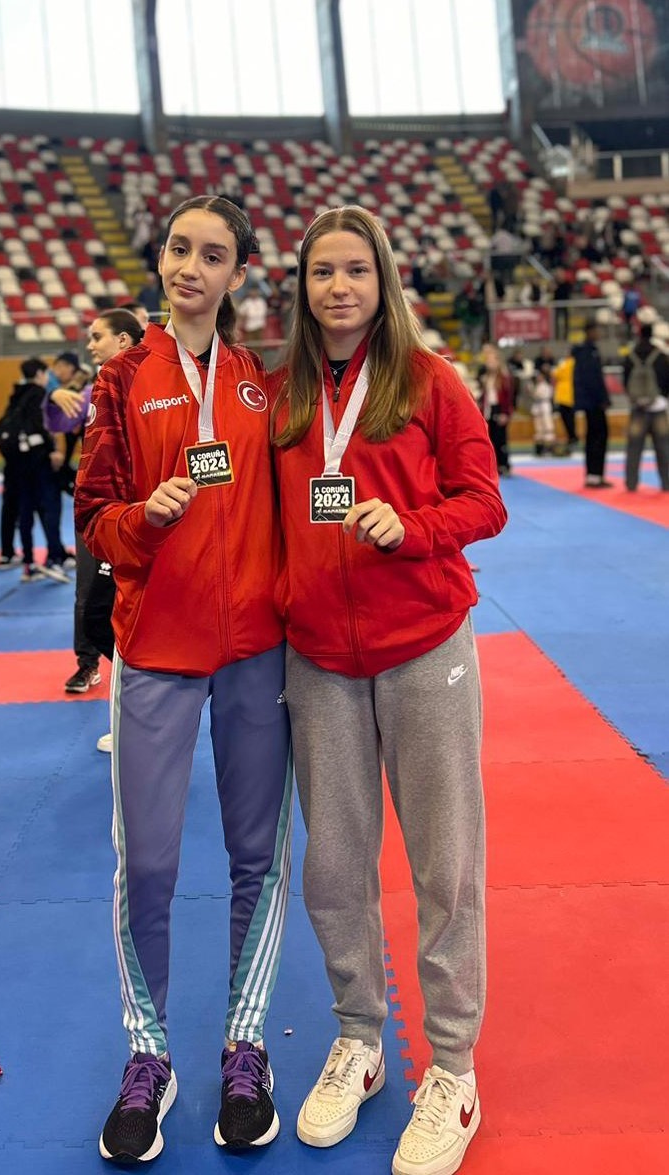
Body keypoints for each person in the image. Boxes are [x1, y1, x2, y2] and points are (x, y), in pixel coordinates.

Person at [268, 205, 507, 1175]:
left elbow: (485, 501)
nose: (338, 287)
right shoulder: (281, 394)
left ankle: (452, 1065)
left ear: (383, 280)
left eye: (355, 270)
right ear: (302, 285)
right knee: (334, 866)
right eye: (322, 270)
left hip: (424, 645)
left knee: (445, 864)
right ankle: (359, 1037)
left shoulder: (429, 380)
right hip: (318, 657)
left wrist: (411, 528)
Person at [74, 195, 293, 1163]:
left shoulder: (261, 383)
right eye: (177, 249)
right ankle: (149, 1054)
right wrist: (144, 520)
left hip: (255, 651)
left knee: (257, 857)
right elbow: (93, 518)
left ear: (238, 273)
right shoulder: (122, 379)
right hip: (156, 649)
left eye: (211, 255)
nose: (189, 268)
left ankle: (246, 1045)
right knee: (149, 864)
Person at [65, 307, 143, 698]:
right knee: (92, 604)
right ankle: (91, 665)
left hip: (134, 512)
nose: (90, 345)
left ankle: (137, 688)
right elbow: (59, 423)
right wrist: (54, 397)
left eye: (97, 337)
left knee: (115, 607)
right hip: (97, 509)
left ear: (123, 340)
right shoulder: (94, 385)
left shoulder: (149, 381)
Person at [0, 358, 71, 583]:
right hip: (39, 462)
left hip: (17, 465)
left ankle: (28, 564)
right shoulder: (40, 394)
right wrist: (52, 451)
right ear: (40, 373)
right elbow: (42, 425)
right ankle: (55, 558)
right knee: (50, 509)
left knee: (25, 513)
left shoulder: (15, 395)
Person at [622, 323, 669, 492]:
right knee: (663, 448)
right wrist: (662, 396)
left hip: (638, 408)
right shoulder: (661, 356)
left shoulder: (630, 356)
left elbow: (625, 380)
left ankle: (631, 483)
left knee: (634, 449)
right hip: (658, 406)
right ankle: (666, 483)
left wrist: (635, 398)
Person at [572, 320, 612, 489]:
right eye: (596, 330)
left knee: (594, 436)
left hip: (592, 401)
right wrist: (602, 399)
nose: (598, 334)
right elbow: (591, 380)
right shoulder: (587, 352)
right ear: (589, 332)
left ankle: (594, 474)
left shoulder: (589, 351)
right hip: (593, 402)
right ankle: (594, 475)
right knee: (598, 437)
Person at [476, 343, 515, 477]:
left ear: (498, 362)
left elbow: (508, 398)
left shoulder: (504, 377)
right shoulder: (486, 377)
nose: (489, 363)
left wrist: (506, 413)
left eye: (492, 361)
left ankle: (504, 464)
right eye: (488, 361)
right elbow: (484, 396)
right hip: (489, 410)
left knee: (501, 439)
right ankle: (494, 465)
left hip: (500, 409)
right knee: (490, 439)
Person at [552, 353, 577, 450]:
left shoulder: (565, 363)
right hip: (569, 394)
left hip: (564, 395)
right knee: (570, 418)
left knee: (567, 418)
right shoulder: (573, 364)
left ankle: (572, 436)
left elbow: (556, 374)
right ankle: (572, 436)